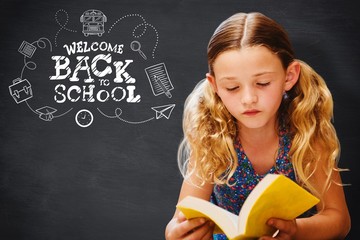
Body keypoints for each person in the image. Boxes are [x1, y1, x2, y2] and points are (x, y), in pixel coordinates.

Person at [165, 12, 351, 240]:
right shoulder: (211, 136)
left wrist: (296, 231)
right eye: (232, 87)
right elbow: (178, 220)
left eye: (262, 83)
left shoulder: (305, 133)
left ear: (289, 76)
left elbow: (339, 220)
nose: (248, 99)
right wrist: (176, 234)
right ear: (214, 86)